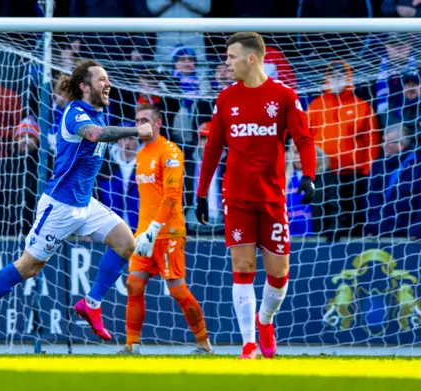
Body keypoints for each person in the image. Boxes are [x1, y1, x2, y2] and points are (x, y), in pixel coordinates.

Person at [0, 59, 153, 349]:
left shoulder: (98, 112)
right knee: (28, 267)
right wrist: (136, 130)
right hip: (59, 205)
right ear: (85, 87)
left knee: (126, 243)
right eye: (101, 79)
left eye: (107, 78)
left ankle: (91, 304)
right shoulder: (76, 113)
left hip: (85, 204)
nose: (108, 83)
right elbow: (96, 135)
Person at [195, 32, 316, 359]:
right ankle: (248, 343)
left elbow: (304, 139)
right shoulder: (225, 98)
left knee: (278, 274)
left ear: (252, 59)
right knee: (243, 266)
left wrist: (309, 176)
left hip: (273, 197)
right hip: (236, 197)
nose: (226, 63)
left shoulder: (284, 96)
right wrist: (201, 191)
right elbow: (212, 148)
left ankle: (265, 321)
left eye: (231, 57)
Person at [119, 104, 211, 355]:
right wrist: (143, 231)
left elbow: (172, 196)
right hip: (144, 235)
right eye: (137, 120)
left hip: (168, 233)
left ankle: (203, 344)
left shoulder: (170, 151)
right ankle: (131, 345)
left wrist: (154, 229)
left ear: (158, 123)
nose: (140, 125)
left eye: (145, 120)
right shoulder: (141, 154)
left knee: (177, 289)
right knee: (134, 285)